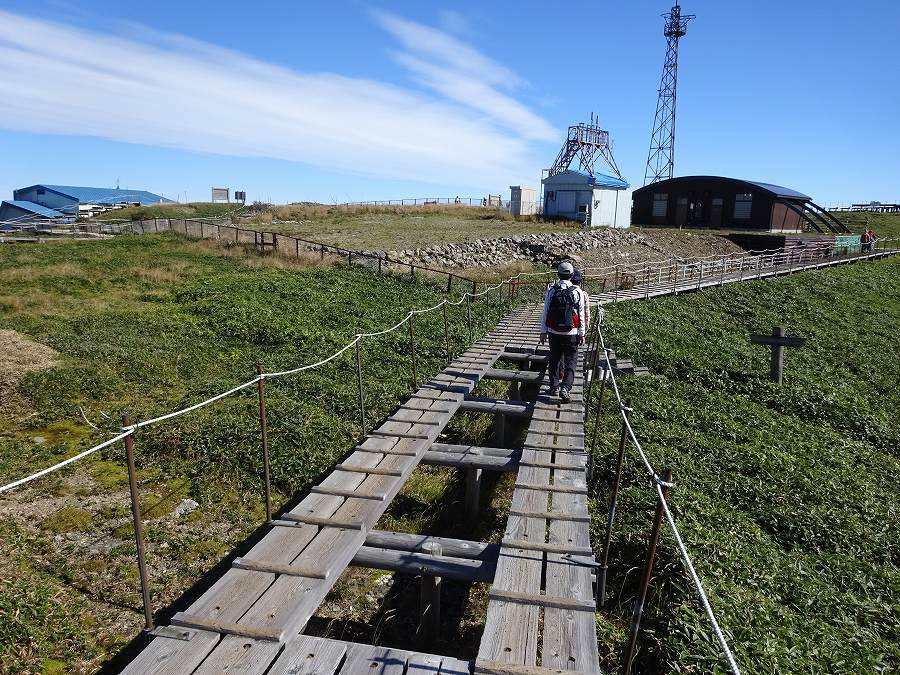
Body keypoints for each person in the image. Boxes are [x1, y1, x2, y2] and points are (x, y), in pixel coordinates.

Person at [540, 261, 587, 402]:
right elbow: (581, 314)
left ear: (558, 274)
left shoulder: (551, 290)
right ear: (572, 275)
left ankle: (554, 387)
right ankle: (566, 388)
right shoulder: (577, 291)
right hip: (571, 333)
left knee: (554, 360)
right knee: (571, 361)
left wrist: (543, 331)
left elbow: (545, 311)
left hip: (553, 332)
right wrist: (582, 333)